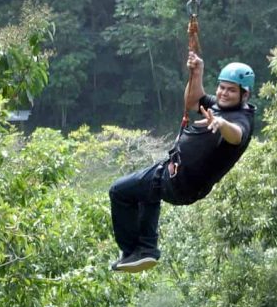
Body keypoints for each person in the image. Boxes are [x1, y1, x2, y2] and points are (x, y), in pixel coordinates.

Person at [108, 51, 256, 272]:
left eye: (231, 90)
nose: (224, 93)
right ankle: (146, 249)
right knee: (145, 192)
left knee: (118, 191)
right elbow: (192, 100)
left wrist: (220, 124)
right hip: (175, 177)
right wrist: (197, 72)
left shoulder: (240, 118)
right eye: (222, 87)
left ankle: (130, 251)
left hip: (179, 183)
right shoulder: (218, 106)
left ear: (244, 94)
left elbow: (236, 134)